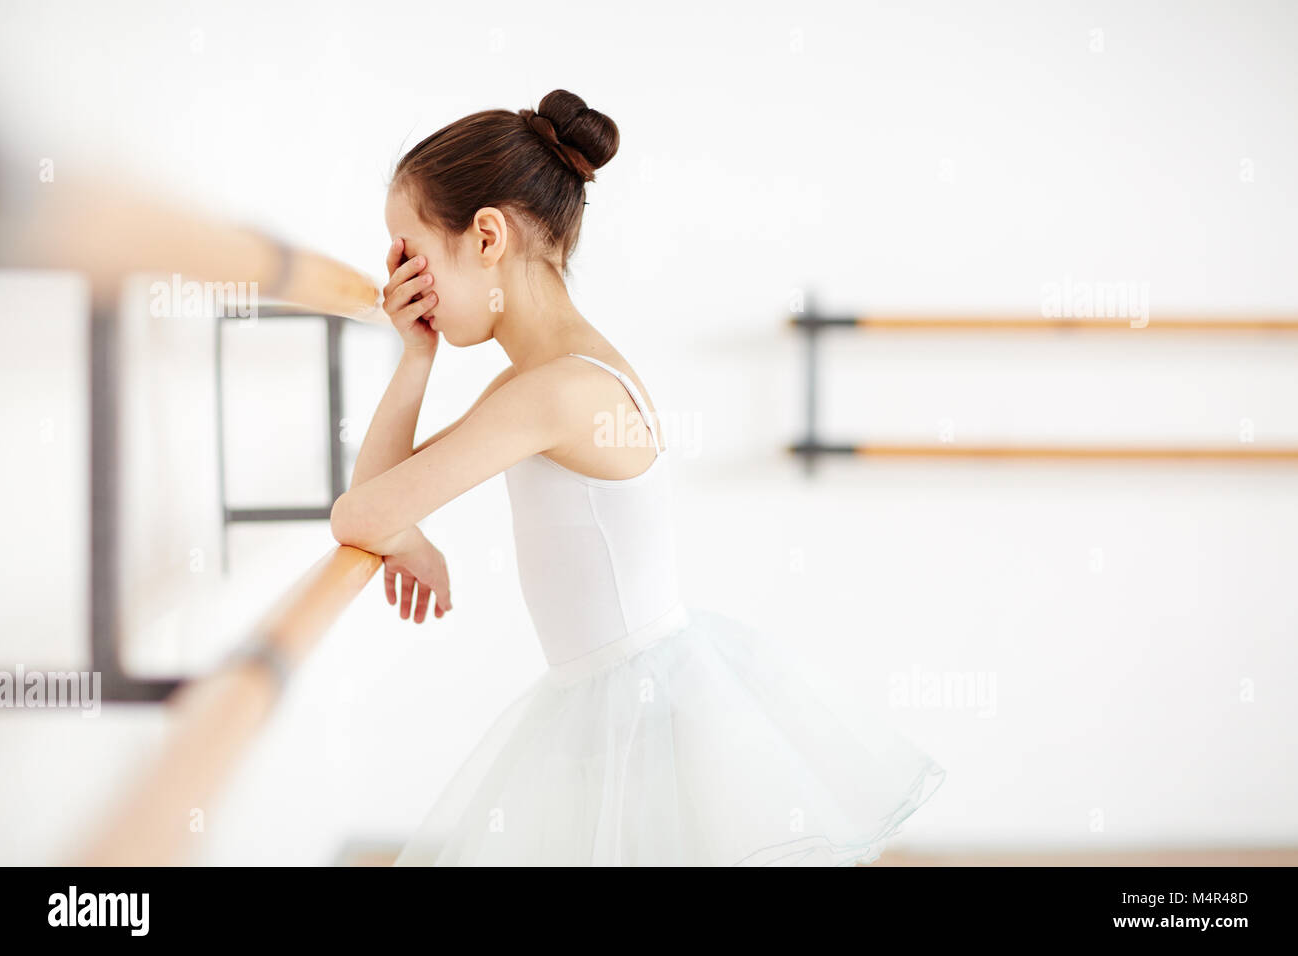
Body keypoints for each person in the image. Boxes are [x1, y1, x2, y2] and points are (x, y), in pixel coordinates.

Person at [331, 90, 945, 865]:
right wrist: (416, 360)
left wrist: (403, 524)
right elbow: (376, 503)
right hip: (624, 703)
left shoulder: (555, 395)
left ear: (486, 236)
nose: (398, 283)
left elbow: (358, 513)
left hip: (634, 716)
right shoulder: (544, 382)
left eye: (408, 254)